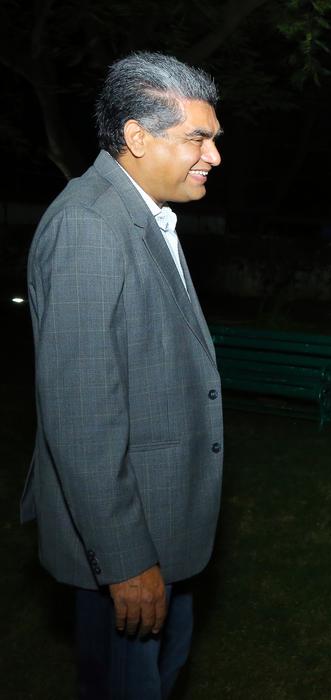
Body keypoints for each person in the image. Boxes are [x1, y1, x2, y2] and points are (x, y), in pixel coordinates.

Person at [22, 52, 224, 699]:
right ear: (137, 137)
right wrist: (127, 561)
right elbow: (82, 419)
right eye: (198, 138)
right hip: (128, 546)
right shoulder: (89, 227)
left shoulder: (141, 214)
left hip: (163, 528)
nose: (214, 156)